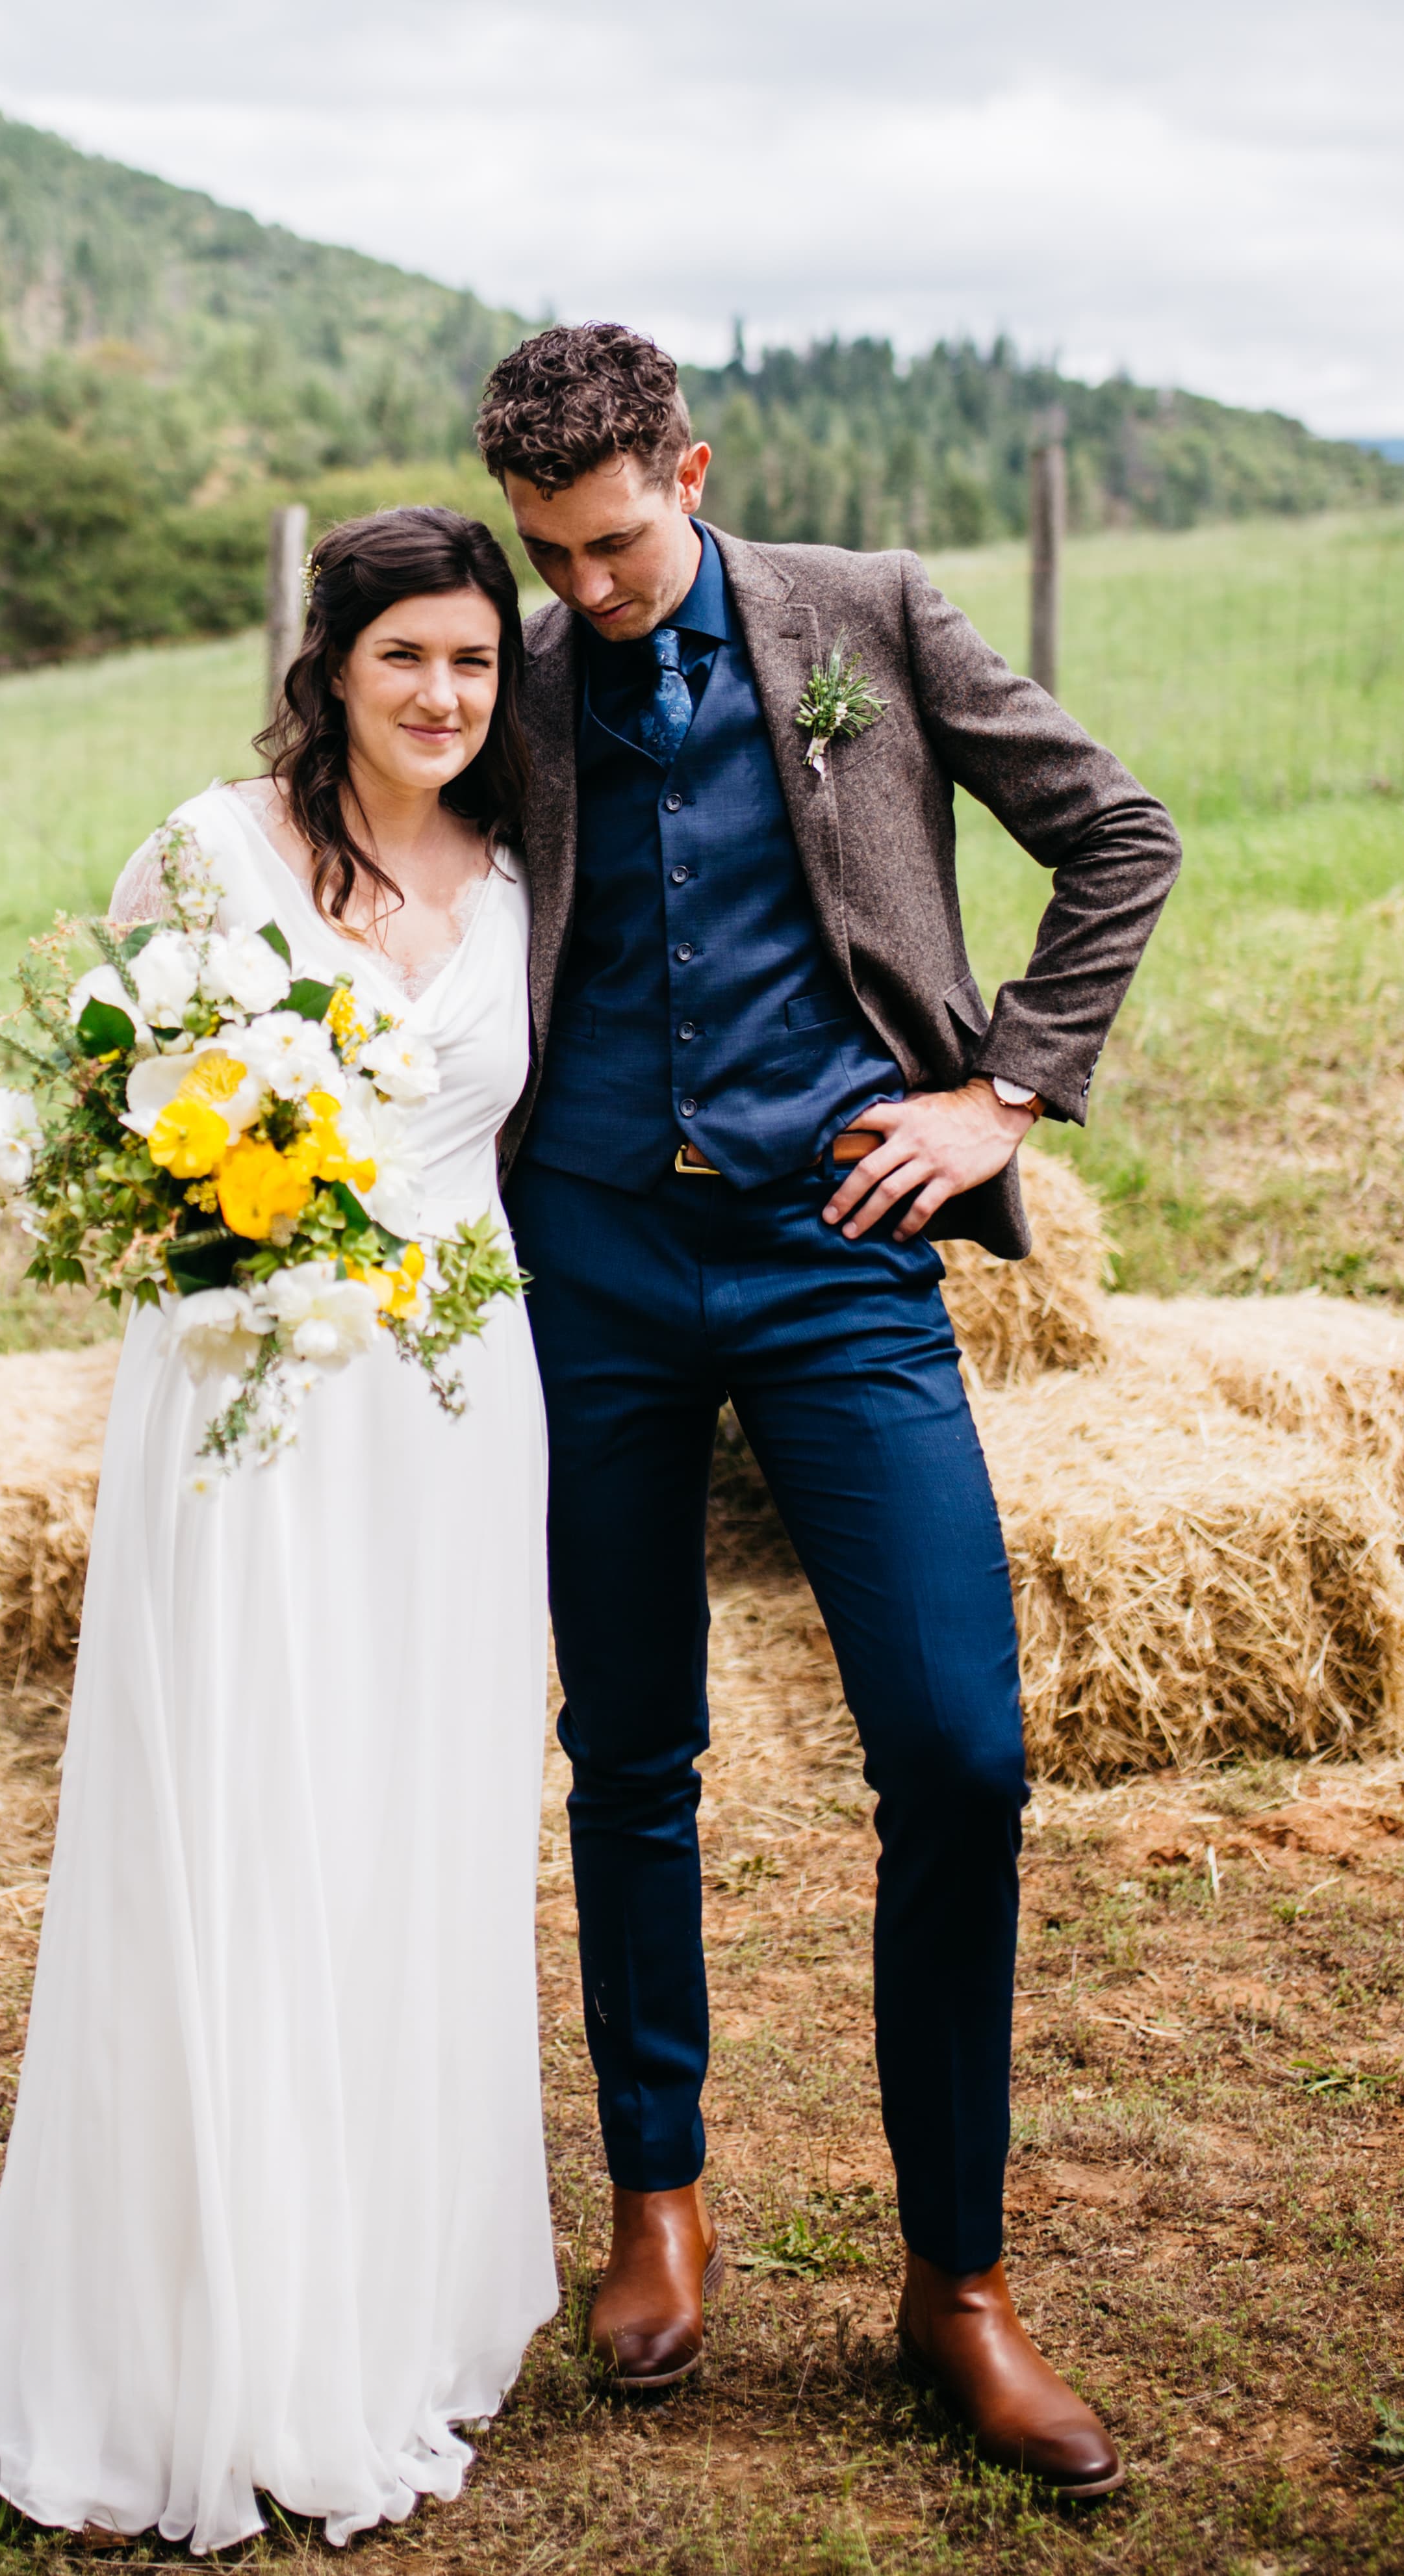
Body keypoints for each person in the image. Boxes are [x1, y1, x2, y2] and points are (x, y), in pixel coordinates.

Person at [478, 324, 1179, 2498]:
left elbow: (1117, 836)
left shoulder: (866, 614)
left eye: (613, 543)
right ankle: (655, 2196)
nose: (587, 592)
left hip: (834, 1246)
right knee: (630, 1744)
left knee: (962, 1750)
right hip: (586, 1259)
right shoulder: (499, 665)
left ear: (689, 468)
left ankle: (952, 2279)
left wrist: (998, 1095)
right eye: (548, 554)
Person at [0, 508, 557, 2552]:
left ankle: (378, 2278)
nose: (442, 697)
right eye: (402, 663)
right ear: (329, 668)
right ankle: (202, 2314)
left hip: (455, 1400)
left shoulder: (529, 879)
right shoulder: (206, 855)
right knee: (247, 1798)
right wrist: (241, 1233)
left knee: (412, 1813)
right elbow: (122, 1148)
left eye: (471, 661)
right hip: (248, 1406)